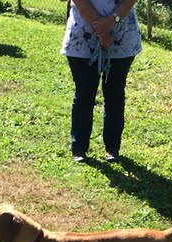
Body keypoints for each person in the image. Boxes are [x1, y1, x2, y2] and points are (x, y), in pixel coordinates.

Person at [62, 0, 142, 163]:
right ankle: (79, 148)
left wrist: (111, 20)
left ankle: (112, 149)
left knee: (115, 95)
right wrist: (101, 28)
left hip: (122, 37)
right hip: (82, 37)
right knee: (84, 94)